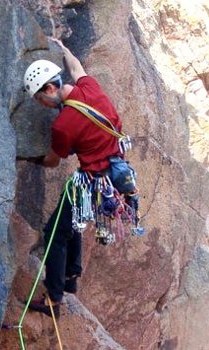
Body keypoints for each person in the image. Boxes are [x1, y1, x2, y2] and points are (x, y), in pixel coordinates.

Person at [22, 39, 128, 318]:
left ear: (50, 88)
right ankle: (70, 277)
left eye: (40, 99)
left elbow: (52, 161)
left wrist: (27, 157)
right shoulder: (89, 89)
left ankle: (54, 300)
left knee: (54, 232)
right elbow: (78, 68)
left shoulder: (64, 124)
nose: (43, 105)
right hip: (115, 173)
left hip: (93, 181)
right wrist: (64, 49)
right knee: (70, 221)